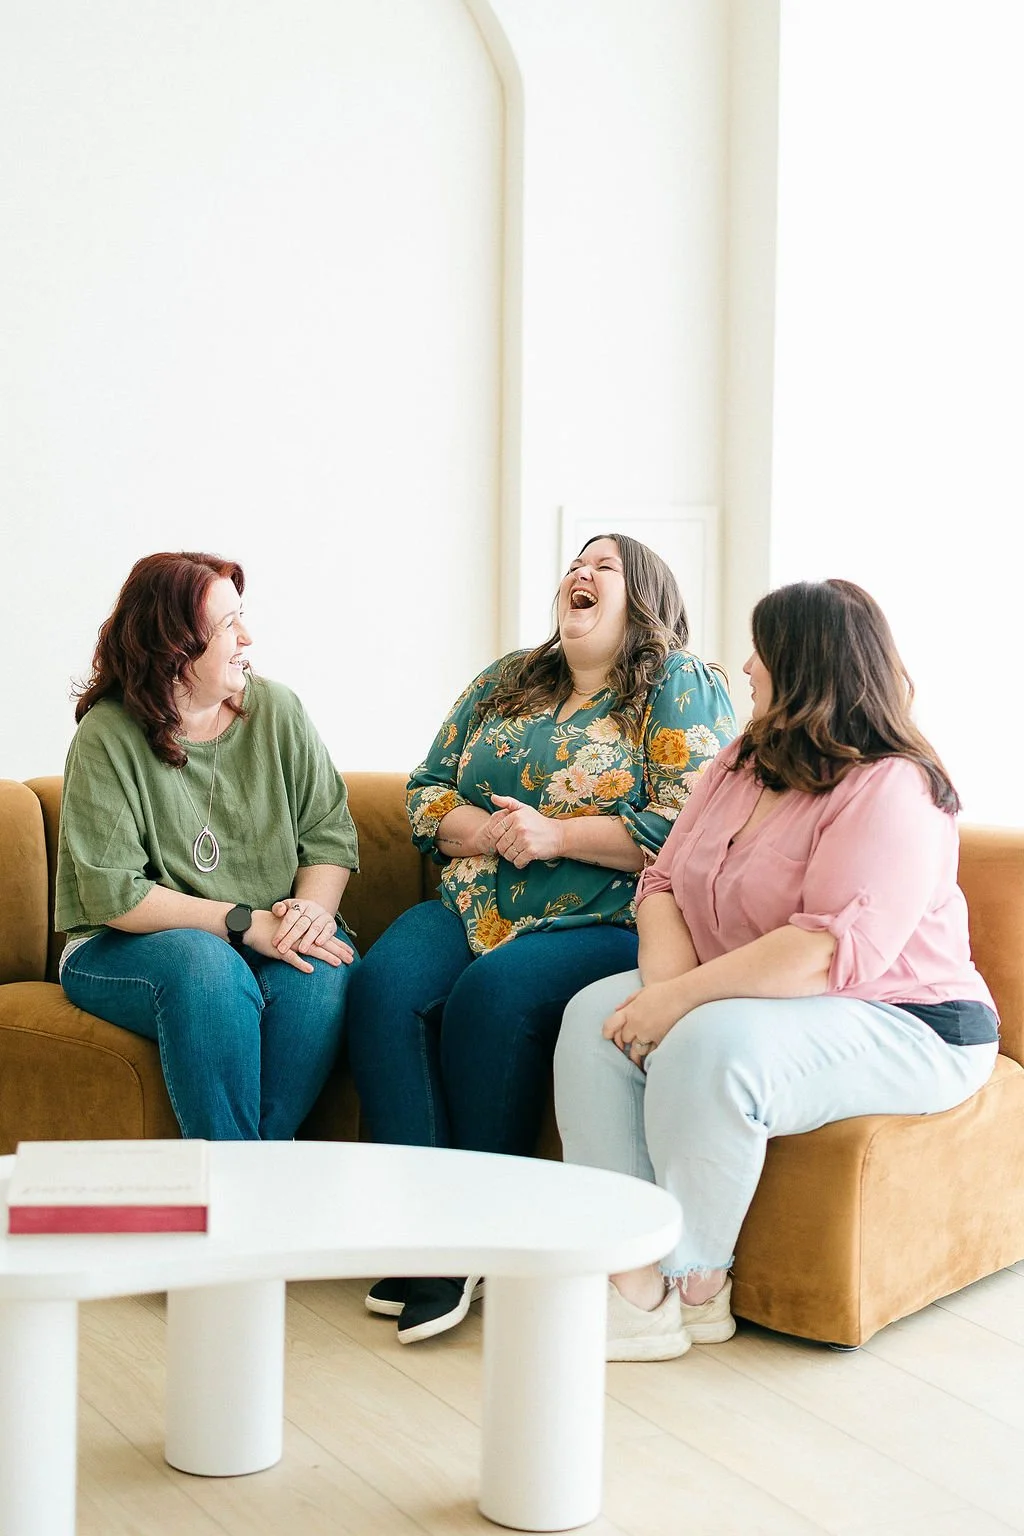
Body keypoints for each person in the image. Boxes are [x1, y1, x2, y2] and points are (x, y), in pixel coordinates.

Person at [553, 578, 1000, 1362]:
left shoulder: (896, 785)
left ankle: (696, 1283)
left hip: (909, 1021)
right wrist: (663, 994)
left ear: (803, 664)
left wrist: (682, 1004)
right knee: (596, 1015)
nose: (748, 665)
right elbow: (662, 880)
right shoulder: (742, 759)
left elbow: (826, 949)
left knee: (709, 1044)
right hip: (761, 994)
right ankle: (629, 1281)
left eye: (762, 649)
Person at [345, 533, 736, 1342]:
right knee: (381, 984)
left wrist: (556, 836)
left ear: (646, 598)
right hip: (473, 904)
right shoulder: (505, 681)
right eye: (574, 564)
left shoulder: (676, 683)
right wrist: (489, 835)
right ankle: (430, 1236)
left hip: (606, 915)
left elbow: (688, 823)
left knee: (496, 993)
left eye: (605, 566)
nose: (579, 574)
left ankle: (477, 1239)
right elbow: (424, 795)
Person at [57, 551, 359, 1141]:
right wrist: (247, 924)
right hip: (121, 946)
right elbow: (114, 895)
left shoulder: (277, 710)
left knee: (324, 965)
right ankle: (244, 1175)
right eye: (228, 626)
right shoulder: (107, 736)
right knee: (206, 966)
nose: (248, 637)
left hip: (266, 929)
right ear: (174, 647)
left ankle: (249, 1175)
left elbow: (328, 833)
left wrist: (310, 916)